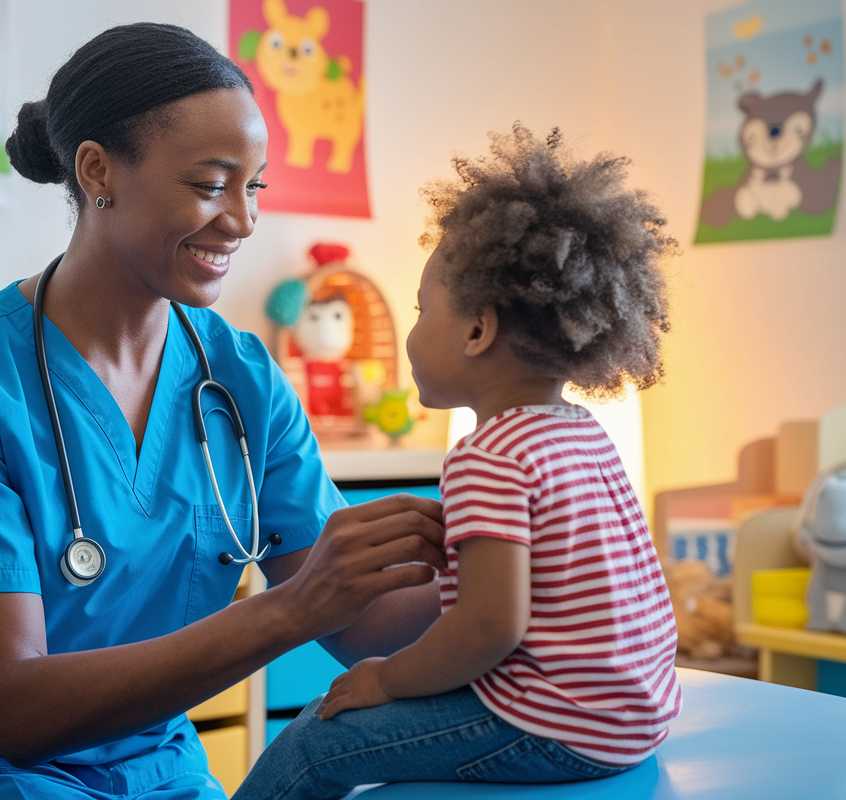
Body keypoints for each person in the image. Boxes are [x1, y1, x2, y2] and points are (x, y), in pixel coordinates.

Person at [0, 23, 446, 800]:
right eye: (210, 183)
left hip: (152, 770)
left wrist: (496, 556)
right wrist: (287, 611)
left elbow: (361, 625)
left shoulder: (242, 379)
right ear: (96, 171)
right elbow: (15, 708)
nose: (244, 221)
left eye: (254, 186)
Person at [234, 125, 682, 800]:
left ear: (478, 330)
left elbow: (486, 627)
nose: (412, 333)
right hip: (630, 720)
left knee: (315, 741)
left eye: (420, 311)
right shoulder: (578, 434)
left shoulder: (487, 456)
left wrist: (385, 680)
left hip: (554, 728)